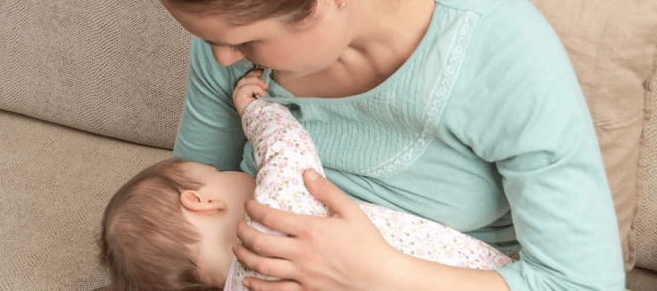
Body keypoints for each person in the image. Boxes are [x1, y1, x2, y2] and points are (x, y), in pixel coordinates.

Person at [154, 0, 626, 290]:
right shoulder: (228, 41)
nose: (221, 58)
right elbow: (180, 202)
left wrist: (375, 275)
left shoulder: (497, 48)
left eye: (246, 41)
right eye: (207, 36)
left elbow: (583, 285)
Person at [98, 69, 512, 290]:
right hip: (468, 271)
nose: (235, 171)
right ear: (200, 201)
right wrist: (256, 110)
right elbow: (287, 149)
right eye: (217, 172)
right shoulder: (273, 212)